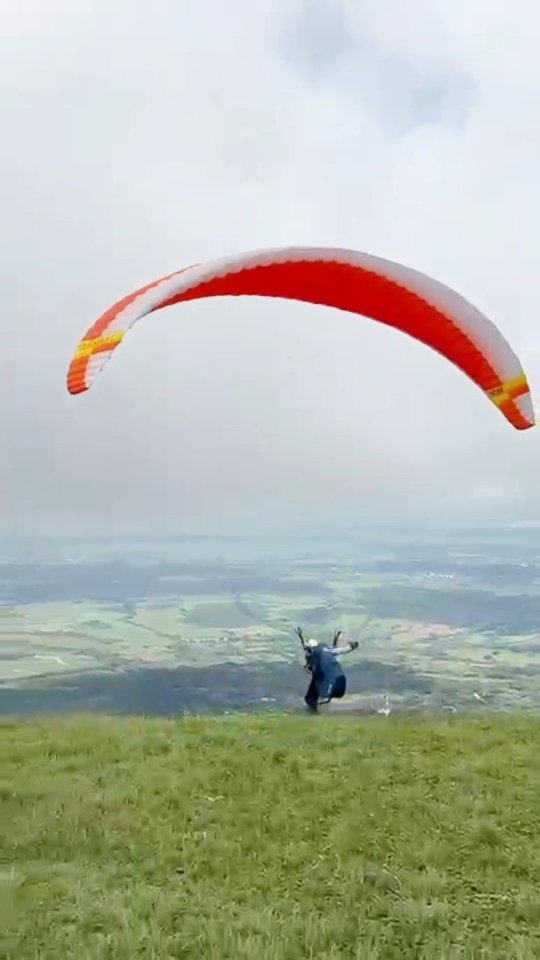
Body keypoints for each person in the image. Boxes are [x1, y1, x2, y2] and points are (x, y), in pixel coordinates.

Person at [295, 627, 358, 712]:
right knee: (317, 685)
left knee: (314, 689)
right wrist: (350, 646)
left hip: (327, 679)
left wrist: (301, 638)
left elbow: (308, 653)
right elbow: (339, 650)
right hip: (337, 678)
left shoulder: (314, 653)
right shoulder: (326, 651)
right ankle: (316, 704)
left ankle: (314, 706)